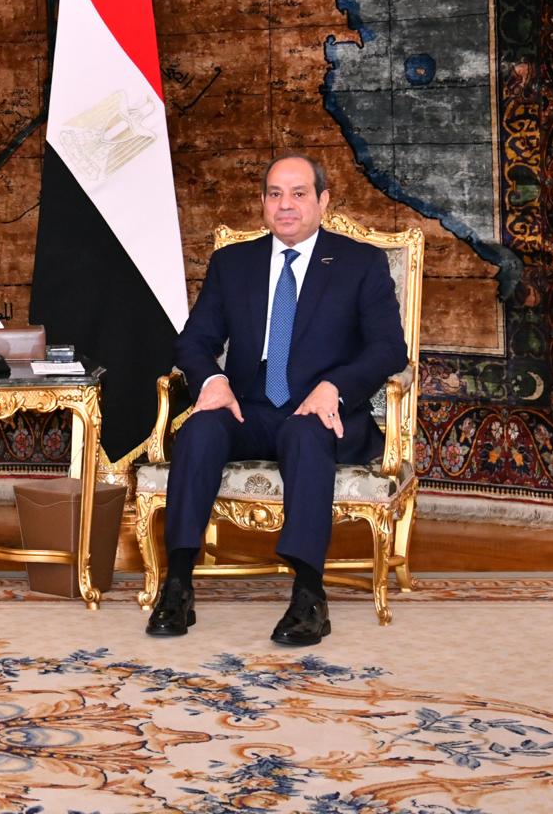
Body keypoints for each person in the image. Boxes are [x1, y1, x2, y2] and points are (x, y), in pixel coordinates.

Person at [147, 153, 407, 646]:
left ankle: (309, 594)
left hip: (321, 409)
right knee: (199, 429)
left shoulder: (359, 263)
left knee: (307, 435)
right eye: (275, 194)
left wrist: (336, 387)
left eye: (299, 193)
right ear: (263, 203)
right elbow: (194, 341)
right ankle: (177, 584)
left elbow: (389, 348)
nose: (285, 205)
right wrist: (212, 380)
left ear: (323, 201)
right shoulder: (233, 263)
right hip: (250, 405)